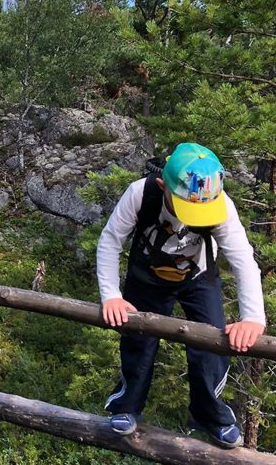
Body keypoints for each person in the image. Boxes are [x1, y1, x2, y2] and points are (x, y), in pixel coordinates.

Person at [97, 143, 266, 448]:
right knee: (139, 340)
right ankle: (126, 406)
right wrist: (111, 295)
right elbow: (110, 241)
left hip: (198, 277)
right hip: (146, 277)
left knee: (212, 344)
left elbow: (242, 257)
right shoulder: (140, 193)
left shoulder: (220, 204)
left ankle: (210, 417)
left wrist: (252, 317)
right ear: (163, 186)